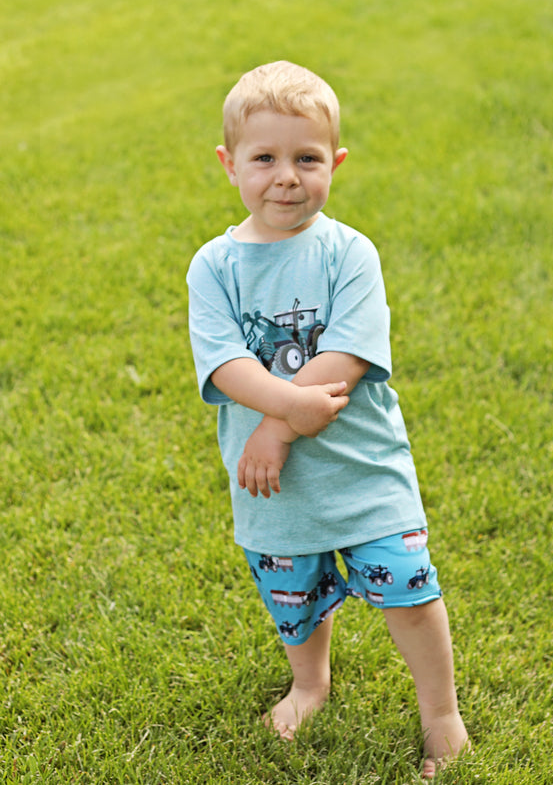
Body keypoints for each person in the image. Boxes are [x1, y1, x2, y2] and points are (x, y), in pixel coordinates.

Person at [187, 60, 469, 779]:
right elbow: (225, 364)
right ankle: (310, 683)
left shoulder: (350, 253)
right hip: (277, 492)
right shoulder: (214, 267)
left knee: (408, 587)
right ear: (229, 165)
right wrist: (286, 410)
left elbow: (348, 355)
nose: (286, 177)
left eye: (307, 159)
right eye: (265, 159)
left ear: (335, 163)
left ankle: (442, 715)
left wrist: (276, 427)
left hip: (364, 473)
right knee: (296, 597)